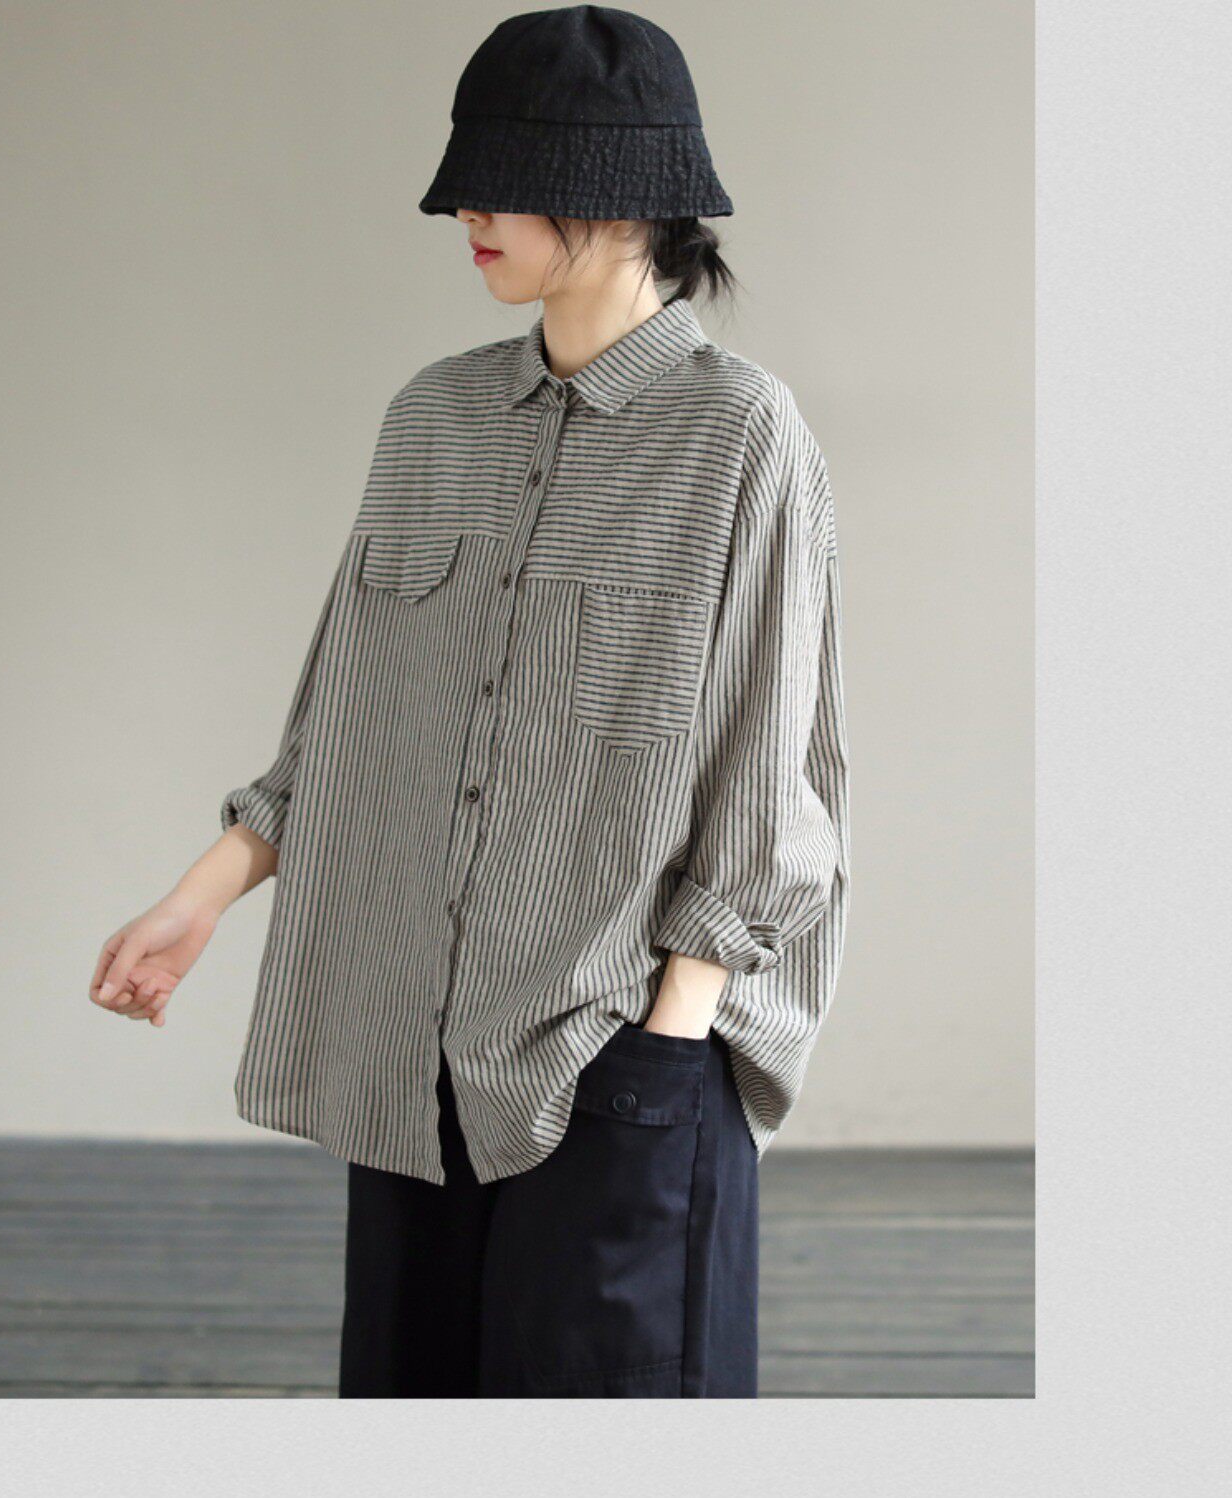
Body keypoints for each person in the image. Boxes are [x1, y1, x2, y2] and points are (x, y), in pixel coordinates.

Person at [87, 5, 850, 1399]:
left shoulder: (740, 433)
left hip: (613, 1050)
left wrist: (669, 1040)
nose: (465, 213)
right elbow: (344, 716)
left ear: (618, 195)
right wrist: (199, 897)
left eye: (501, 181)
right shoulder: (431, 419)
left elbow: (772, 776)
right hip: (411, 1054)